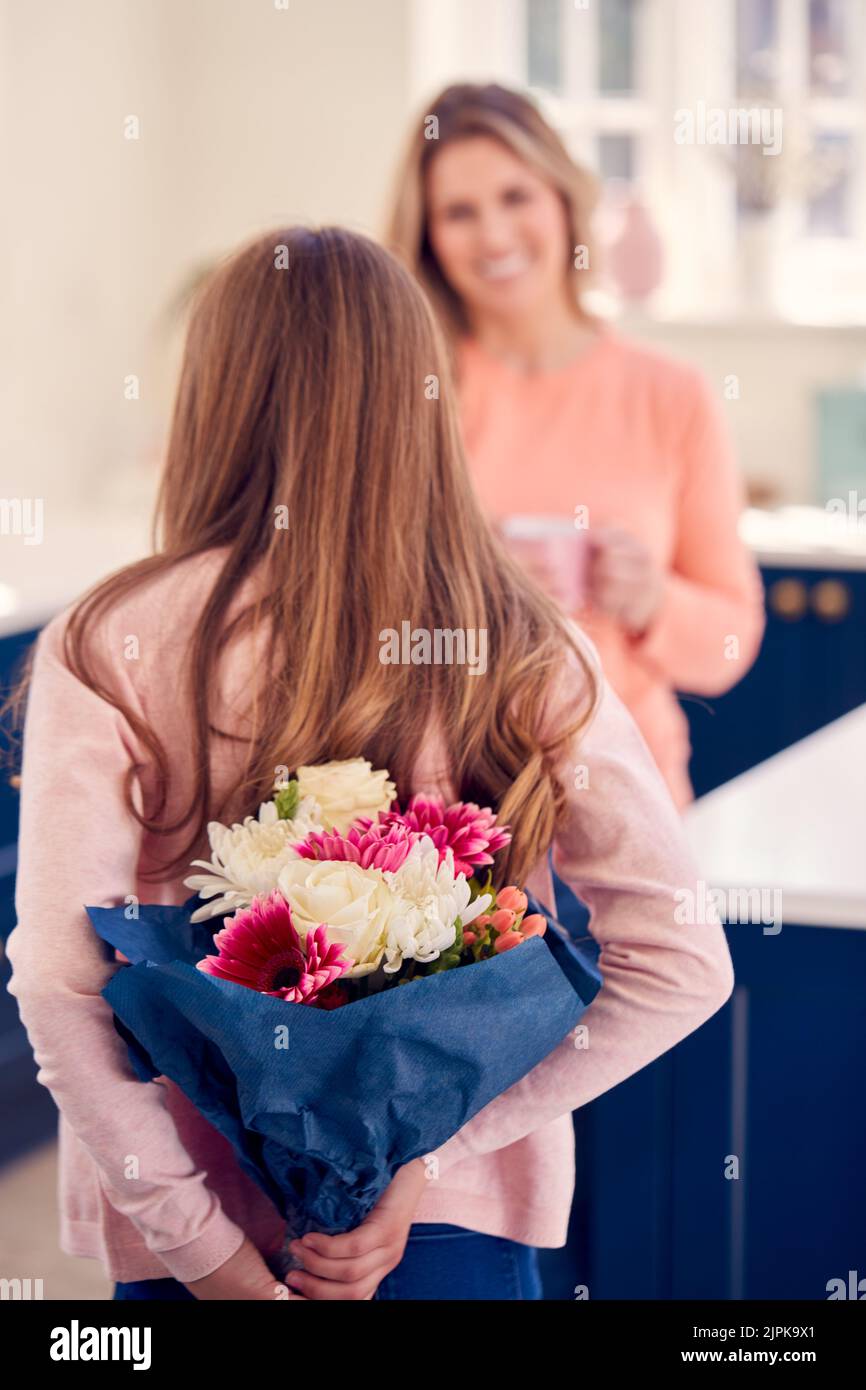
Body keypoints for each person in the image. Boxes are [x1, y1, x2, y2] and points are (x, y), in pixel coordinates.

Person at [5, 227, 733, 1301]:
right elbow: (681, 961)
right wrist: (439, 1154)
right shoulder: (520, 640)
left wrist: (203, 1252)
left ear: (214, 395)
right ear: (423, 399)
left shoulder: (108, 641)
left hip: (190, 1246)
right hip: (448, 1237)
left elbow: (60, 990)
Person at [384, 82, 766, 810]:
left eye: (515, 197)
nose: (494, 236)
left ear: (562, 201)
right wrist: (466, 583)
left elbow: (730, 639)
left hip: (633, 800)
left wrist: (651, 600)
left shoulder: (669, 394)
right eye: (459, 213)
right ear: (428, 236)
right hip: (445, 813)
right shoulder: (409, 394)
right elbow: (353, 611)